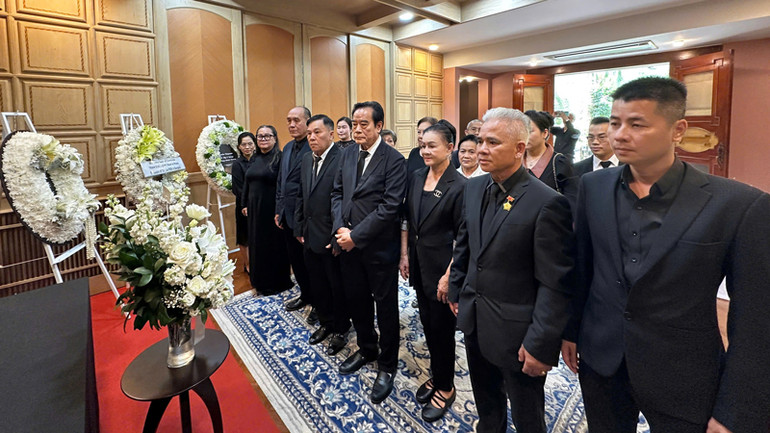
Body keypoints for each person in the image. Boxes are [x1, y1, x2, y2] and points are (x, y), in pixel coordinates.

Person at [562, 76, 770, 433]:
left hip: (682, 368)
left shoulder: (738, 204)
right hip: (603, 357)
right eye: (615, 123)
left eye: (636, 124)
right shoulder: (593, 187)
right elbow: (583, 266)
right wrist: (571, 331)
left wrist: (736, 407)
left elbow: (755, 318)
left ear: (678, 130)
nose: (619, 135)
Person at [448, 107, 574, 433]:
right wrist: (457, 288)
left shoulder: (546, 202)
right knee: (487, 405)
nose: (481, 149)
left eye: (493, 142)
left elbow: (554, 283)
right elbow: (466, 245)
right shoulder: (474, 188)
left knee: (527, 415)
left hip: (518, 334)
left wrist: (540, 343)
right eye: (479, 141)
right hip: (476, 319)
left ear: (519, 149)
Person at [331, 101, 406, 404]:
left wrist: (356, 236)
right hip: (347, 244)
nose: (358, 129)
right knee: (357, 301)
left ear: (378, 126)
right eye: (355, 123)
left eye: (365, 124)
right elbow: (338, 192)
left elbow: (390, 208)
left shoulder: (394, 160)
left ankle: (386, 365)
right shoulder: (347, 152)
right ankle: (366, 348)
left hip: (379, 249)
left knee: (385, 308)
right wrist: (340, 230)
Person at [400, 122, 466, 422]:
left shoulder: (460, 185)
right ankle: (438, 374)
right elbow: (410, 222)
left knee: (442, 331)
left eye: (432, 146)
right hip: (419, 264)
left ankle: (446, 386)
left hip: (443, 271)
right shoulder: (416, 176)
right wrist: (405, 255)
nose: (425, 151)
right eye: (422, 145)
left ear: (450, 148)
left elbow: (464, 237)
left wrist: (448, 276)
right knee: (428, 324)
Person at [294, 114, 350, 355]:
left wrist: (336, 235)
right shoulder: (307, 159)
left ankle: (340, 328)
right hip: (309, 234)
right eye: (309, 134)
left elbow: (346, 200)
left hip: (331, 236)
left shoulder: (343, 158)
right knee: (317, 284)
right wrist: (298, 227)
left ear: (331, 134)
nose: (312, 137)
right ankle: (326, 323)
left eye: (317, 132)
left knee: (336, 286)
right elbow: (300, 194)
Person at [241, 125, 293, 295]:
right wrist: (244, 204)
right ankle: (260, 282)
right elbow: (247, 183)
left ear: (275, 138)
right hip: (254, 210)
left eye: (267, 136)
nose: (263, 139)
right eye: (260, 136)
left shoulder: (280, 158)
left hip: (272, 210)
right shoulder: (254, 158)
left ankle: (277, 283)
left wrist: (280, 210)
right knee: (257, 245)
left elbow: (284, 186)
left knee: (273, 246)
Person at [277, 107, 315, 323]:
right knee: (296, 262)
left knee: (312, 265)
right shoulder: (288, 147)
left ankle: (320, 302)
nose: (291, 124)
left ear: (307, 122)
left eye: (296, 120)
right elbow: (282, 181)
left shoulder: (314, 147)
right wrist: (278, 208)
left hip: (307, 217)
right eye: (288, 120)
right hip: (287, 215)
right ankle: (306, 295)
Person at [523, 110, 577, 209]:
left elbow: (572, 203)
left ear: (544, 133)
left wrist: (566, 119)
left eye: (530, 131)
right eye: (521, 131)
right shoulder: (514, 161)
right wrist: (553, 117)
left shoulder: (560, 163)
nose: (524, 136)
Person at [232, 131, 255, 274]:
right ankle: (248, 265)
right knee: (244, 236)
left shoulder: (259, 160)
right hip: (244, 205)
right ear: (239, 147)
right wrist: (246, 204)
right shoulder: (237, 164)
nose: (247, 147)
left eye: (250, 144)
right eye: (243, 144)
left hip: (259, 204)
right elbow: (238, 188)